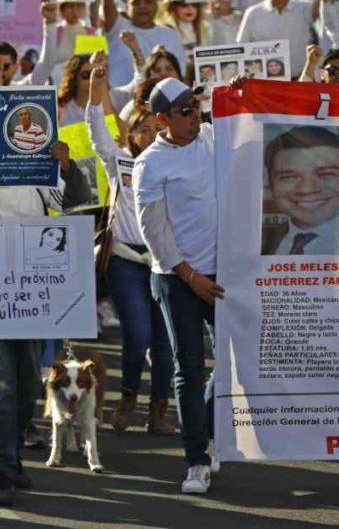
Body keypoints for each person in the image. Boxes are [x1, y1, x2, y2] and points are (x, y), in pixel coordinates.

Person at [132, 78, 224, 494]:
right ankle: (196, 462)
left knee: (234, 363)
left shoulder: (211, 135)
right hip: (176, 276)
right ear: (161, 119)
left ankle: (203, 431)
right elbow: (154, 231)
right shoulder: (150, 163)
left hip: (222, 274)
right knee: (189, 367)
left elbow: (257, 116)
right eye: (184, 110)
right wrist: (190, 276)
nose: (195, 114)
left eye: (196, 104)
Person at [85, 66, 175, 434]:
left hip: (164, 261)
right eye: (142, 130)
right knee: (137, 334)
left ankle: (159, 411)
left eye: (157, 130)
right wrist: (95, 91)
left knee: (165, 340)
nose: (150, 136)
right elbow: (96, 134)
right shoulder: (118, 159)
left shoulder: (175, 161)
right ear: (131, 134)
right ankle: (126, 398)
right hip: (125, 259)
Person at [261, 126, 339, 256]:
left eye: (326, 174)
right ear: (271, 183)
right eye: (289, 177)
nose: (307, 189)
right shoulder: (264, 241)